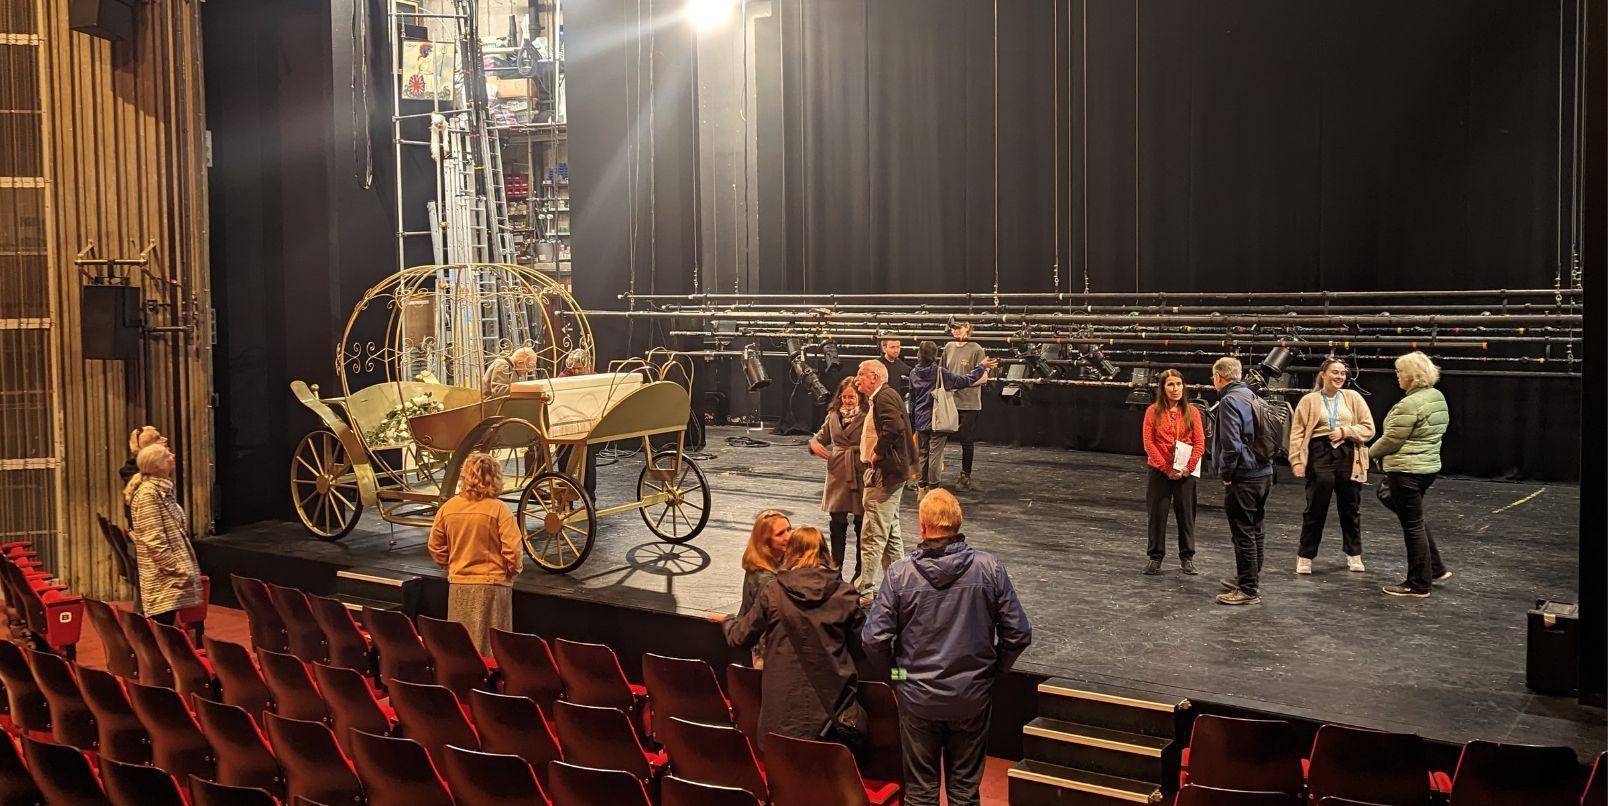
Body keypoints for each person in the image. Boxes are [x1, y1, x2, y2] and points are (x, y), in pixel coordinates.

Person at [862, 490, 1031, 806]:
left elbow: (874, 640)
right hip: (971, 696)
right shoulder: (990, 568)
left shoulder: (900, 574)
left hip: (917, 696)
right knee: (964, 794)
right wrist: (991, 673)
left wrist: (898, 677)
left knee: (921, 793)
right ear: (958, 523)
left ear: (922, 526)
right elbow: (1019, 633)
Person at [724, 526, 865, 752]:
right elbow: (861, 650)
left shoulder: (773, 592)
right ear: (825, 552)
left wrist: (727, 621)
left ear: (791, 553)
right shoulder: (845, 595)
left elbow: (739, 637)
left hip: (779, 726)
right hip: (830, 727)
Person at [1370, 351, 1451, 598]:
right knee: (1409, 515)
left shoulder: (1409, 404)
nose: (1397, 376)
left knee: (1412, 526)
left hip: (1406, 471)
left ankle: (1418, 584)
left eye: (1400, 372)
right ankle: (1435, 567)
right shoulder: (1436, 396)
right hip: (1426, 469)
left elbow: (1392, 439)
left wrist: (1369, 453)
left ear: (1412, 376)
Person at [427, 452, 523, 652]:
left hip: (459, 585)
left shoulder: (448, 508)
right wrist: (510, 572)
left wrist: (452, 566)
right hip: (493, 586)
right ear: (495, 477)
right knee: (493, 649)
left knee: (461, 649)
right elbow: (513, 551)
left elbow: (435, 546)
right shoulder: (499, 510)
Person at [1288, 358, 1375, 575]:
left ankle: (1354, 554)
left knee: (1350, 507)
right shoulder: (1309, 400)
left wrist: (1345, 431)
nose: (1339, 377)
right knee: (1315, 507)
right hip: (1320, 453)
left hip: (1348, 454)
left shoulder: (1353, 397)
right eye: (1335, 372)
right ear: (1323, 374)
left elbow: (1368, 428)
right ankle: (1305, 556)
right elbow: (1297, 433)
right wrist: (1297, 460)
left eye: (1343, 373)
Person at [1211, 357, 1274, 606]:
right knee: (1255, 528)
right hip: (1264, 472)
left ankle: (1248, 589)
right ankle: (1249, 577)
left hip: (1245, 475)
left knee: (1243, 532)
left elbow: (1231, 445)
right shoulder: (1254, 397)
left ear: (1219, 377)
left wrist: (1227, 475)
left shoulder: (1229, 401)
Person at [855, 359, 915, 606]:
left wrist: (878, 452)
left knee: (873, 532)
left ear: (875, 377)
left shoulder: (884, 397)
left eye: (861, 374)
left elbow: (894, 426)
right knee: (890, 531)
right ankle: (898, 586)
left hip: (885, 473)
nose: (857, 379)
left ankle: (866, 589)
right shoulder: (882, 397)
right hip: (891, 473)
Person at [123, 444, 204, 624]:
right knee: (163, 628)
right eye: (167, 455)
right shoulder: (148, 494)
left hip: (168, 578)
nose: (172, 455)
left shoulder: (161, 490)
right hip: (163, 578)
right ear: (157, 465)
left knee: (166, 626)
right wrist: (176, 570)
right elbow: (154, 540)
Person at [908, 341, 994, 499]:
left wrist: (913, 422)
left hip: (920, 419)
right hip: (937, 420)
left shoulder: (913, 373)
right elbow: (964, 380)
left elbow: (912, 400)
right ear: (934, 355)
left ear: (919, 354)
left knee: (923, 454)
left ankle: (921, 487)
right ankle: (934, 489)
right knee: (935, 454)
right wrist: (981, 367)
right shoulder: (939, 372)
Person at [1141, 369, 1205, 576]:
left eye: (1178, 384)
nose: (1175, 388)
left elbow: (1199, 442)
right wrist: (1166, 468)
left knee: (1186, 515)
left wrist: (1188, 467)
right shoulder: (1153, 411)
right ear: (1163, 388)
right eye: (1170, 384)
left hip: (1185, 472)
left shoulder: (1192, 412)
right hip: (1160, 471)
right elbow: (1149, 443)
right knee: (1157, 515)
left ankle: (1187, 558)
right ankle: (1155, 557)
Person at [809, 378, 867, 571]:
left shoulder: (867, 416)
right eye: (844, 397)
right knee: (837, 521)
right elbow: (821, 437)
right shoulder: (833, 416)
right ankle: (836, 566)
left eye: (851, 397)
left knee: (861, 522)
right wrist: (813, 443)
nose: (847, 401)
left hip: (859, 470)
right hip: (838, 472)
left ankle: (860, 569)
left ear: (859, 397)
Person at [738, 510, 791, 666]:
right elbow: (763, 625)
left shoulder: (776, 564)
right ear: (766, 541)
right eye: (780, 533)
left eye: (789, 530)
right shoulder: (765, 579)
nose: (788, 537)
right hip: (762, 653)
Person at [940, 320, 988, 491]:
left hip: (969, 403)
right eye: (953, 328)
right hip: (949, 402)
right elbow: (941, 371)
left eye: (959, 328)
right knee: (939, 438)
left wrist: (960, 383)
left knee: (966, 440)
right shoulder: (948, 347)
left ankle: (965, 475)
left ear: (967, 327)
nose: (956, 331)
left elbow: (984, 377)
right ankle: (933, 473)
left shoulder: (976, 349)